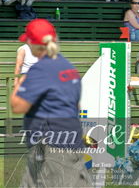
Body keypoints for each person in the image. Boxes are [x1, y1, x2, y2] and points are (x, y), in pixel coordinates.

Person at [10, 19, 92, 187]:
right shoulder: (67, 66)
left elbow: (17, 106)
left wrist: (19, 84)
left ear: (32, 44)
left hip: (51, 143)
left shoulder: (40, 69)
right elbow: (75, 106)